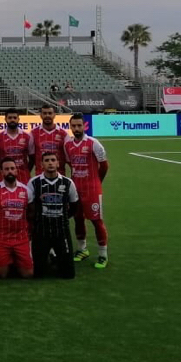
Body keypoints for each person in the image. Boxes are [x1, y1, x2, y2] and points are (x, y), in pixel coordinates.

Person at [64, 113, 110, 269]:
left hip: (92, 189)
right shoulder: (68, 145)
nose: (76, 128)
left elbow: (104, 166)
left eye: (79, 125)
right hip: (75, 189)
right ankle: (82, 249)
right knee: (77, 219)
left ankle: (103, 254)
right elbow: (71, 165)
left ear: (84, 126)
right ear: (70, 127)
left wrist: (96, 182)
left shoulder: (93, 143)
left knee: (97, 221)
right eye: (73, 126)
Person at [29, 152, 79, 279]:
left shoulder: (68, 183)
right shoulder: (34, 183)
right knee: (38, 274)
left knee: (68, 275)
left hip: (61, 231)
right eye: (46, 160)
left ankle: (57, 257)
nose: (50, 163)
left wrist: (62, 218)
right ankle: (50, 256)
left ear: (58, 163)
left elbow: (74, 206)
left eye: (53, 160)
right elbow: (29, 207)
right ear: (41, 164)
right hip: (41, 232)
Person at [0, 158, 33, 279]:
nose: (10, 171)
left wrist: (29, 235)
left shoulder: (26, 190)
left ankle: (17, 261)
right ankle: (8, 261)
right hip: (3, 239)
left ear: (16, 171)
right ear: (2, 172)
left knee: (28, 274)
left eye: (12, 168)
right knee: (0, 274)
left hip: (21, 238)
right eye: (7, 169)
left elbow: (31, 214)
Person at [0, 109, 32, 183]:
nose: (12, 120)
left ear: (18, 119)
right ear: (5, 119)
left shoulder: (27, 137)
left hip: (23, 178)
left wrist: (25, 170)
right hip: (4, 178)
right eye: (10, 118)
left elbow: (32, 158)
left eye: (15, 118)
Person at [30, 103, 68, 175]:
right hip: (40, 176)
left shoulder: (63, 134)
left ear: (54, 115)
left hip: (60, 176)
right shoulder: (33, 133)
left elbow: (67, 157)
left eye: (50, 113)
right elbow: (31, 156)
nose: (47, 115)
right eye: (45, 113)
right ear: (41, 115)